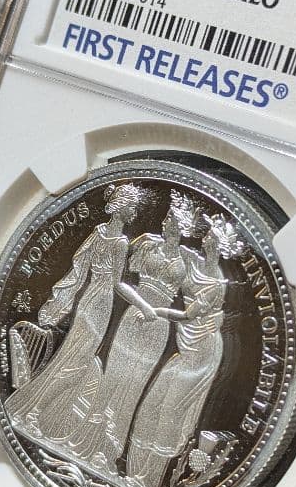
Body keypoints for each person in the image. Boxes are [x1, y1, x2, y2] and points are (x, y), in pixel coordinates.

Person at [67, 191, 201, 469]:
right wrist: (143, 306)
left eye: (171, 218)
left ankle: (108, 453)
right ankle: (82, 440)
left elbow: (195, 308)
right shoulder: (147, 244)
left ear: (181, 225)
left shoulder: (189, 261)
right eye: (166, 217)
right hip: (134, 317)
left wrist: (160, 313)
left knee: (133, 388)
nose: (165, 222)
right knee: (111, 379)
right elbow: (121, 283)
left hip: (158, 327)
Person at [4, 183, 148, 441]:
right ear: (122, 207)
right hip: (100, 305)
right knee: (75, 365)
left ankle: (34, 412)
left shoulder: (98, 231)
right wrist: (145, 306)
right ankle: (35, 413)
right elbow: (117, 284)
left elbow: (79, 271)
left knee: (67, 360)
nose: (135, 213)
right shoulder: (120, 242)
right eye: (133, 208)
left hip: (87, 302)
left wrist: (62, 302)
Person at [125, 212, 245, 487]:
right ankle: (135, 475)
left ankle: (151, 484)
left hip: (201, 352)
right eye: (206, 235)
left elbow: (187, 315)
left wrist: (154, 311)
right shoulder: (193, 261)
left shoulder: (218, 285)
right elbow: (172, 246)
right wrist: (149, 237)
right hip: (184, 348)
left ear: (220, 246)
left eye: (211, 237)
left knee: (170, 412)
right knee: (153, 405)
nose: (205, 238)